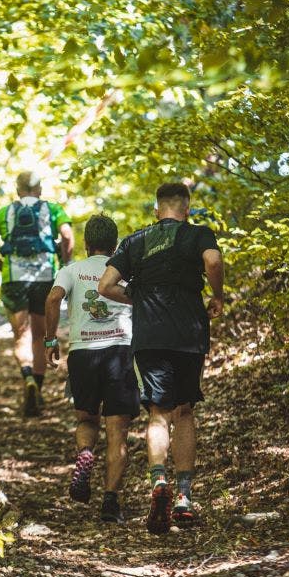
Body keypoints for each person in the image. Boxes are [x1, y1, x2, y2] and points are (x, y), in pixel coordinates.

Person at [98, 182, 224, 535]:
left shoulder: (136, 240)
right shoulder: (198, 234)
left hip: (150, 336)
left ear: (157, 210)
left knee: (158, 412)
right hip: (189, 333)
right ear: (187, 209)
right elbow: (213, 261)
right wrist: (219, 296)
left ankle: (158, 481)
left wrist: (136, 299)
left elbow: (105, 285)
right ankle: (183, 497)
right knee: (184, 411)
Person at [44, 214, 137, 523]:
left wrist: (49, 340)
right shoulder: (126, 272)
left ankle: (85, 452)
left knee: (87, 419)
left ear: (85, 243)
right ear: (115, 244)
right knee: (117, 432)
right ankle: (110, 501)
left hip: (83, 354)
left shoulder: (71, 270)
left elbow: (53, 298)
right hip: (120, 353)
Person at [0, 171, 74, 416]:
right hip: (44, 278)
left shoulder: (4, 212)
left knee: (21, 336)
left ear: (17, 189)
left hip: (14, 280)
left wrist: (1, 266)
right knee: (40, 336)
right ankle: (39, 390)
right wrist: (65, 264)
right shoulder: (53, 210)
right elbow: (67, 236)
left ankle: (28, 379)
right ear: (39, 189)